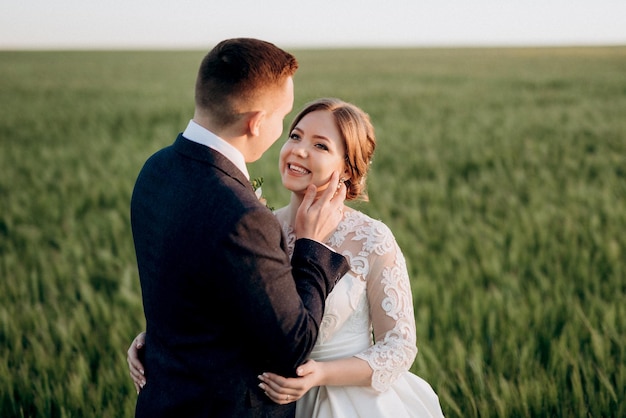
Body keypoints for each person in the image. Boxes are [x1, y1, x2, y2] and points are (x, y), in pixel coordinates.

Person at [129, 98, 445, 417]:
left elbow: (399, 346)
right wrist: (160, 338)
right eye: (295, 136)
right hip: (266, 405)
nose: (298, 150)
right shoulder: (259, 226)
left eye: (320, 145)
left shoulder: (371, 239)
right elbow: (222, 313)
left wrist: (320, 374)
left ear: (347, 169)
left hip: (347, 403)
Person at [129, 39, 350, 418]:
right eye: (284, 118)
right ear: (256, 122)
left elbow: (190, 285)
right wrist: (311, 245)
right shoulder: (244, 215)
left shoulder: (155, 169)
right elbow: (292, 344)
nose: (285, 133)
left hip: (160, 402)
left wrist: (158, 338)